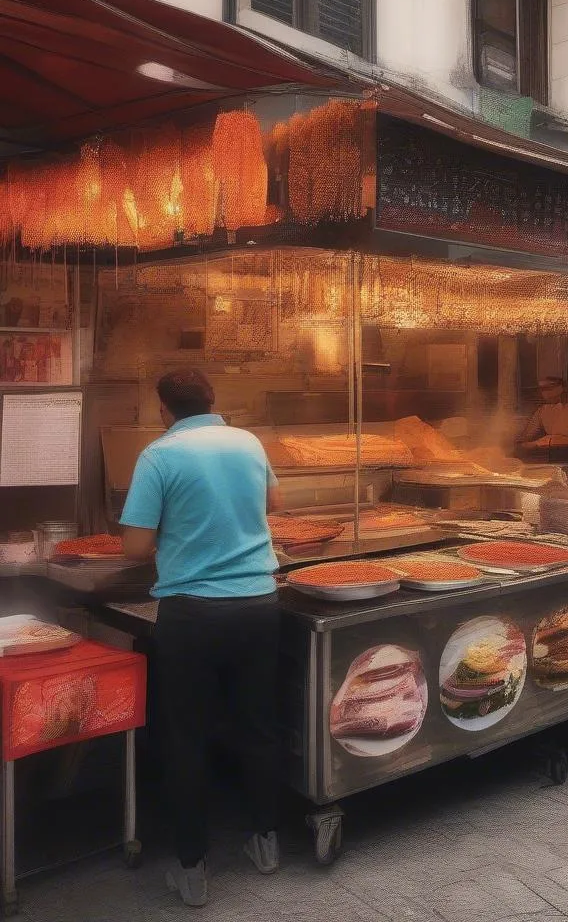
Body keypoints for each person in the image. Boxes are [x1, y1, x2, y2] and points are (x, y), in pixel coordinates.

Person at [120, 369, 283, 908]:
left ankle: (192, 869)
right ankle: (267, 843)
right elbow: (272, 507)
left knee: (186, 738)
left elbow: (135, 549)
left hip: (193, 614)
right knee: (258, 727)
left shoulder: (159, 456)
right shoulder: (248, 440)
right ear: (212, 402)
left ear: (164, 408)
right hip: (260, 604)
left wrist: (174, 526)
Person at [516, 377, 568, 461]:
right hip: (554, 459)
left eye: (550, 387)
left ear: (563, 387)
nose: (546, 393)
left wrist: (540, 442)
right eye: (542, 389)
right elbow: (526, 436)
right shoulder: (543, 410)